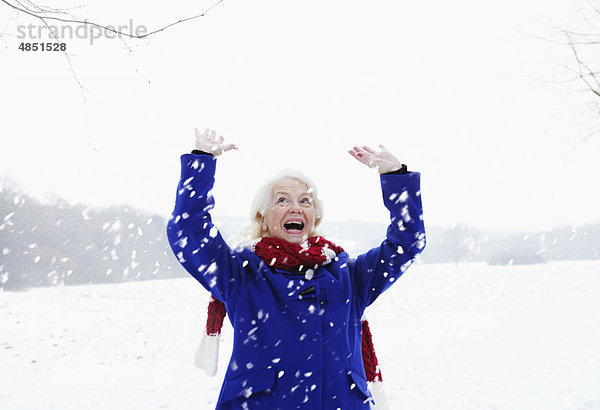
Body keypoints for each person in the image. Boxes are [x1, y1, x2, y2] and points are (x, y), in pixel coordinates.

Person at [167, 128, 426, 410]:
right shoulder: (241, 274)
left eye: (305, 201)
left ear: (315, 217)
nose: (296, 207)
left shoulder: (349, 277)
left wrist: (396, 177)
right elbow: (188, 230)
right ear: (262, 218)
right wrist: (201, 162)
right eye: (282, 200)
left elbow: (407, 243)